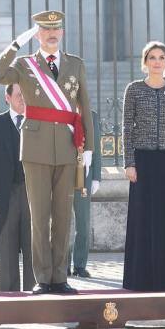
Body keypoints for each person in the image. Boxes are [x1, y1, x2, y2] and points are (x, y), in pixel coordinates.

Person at [0, 10, 94, 295]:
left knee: (63, 216)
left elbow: (84, 106)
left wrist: (90, 150)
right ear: (37, 34)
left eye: (56, 29)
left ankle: (60, 276)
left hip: (67, 146)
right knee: (40, 216)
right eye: (45, 30)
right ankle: (43, 278)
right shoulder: (25, 65)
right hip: (34, 148)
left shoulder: (75, 64)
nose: (51, 34)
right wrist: (14, 46)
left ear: (62, 32)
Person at [122, 42, 165, 291]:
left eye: (161, 57)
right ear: (145, 61)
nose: (157, 62)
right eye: (152, 57)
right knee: (143, 218)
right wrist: (129, 162)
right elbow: (127, 128)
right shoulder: (135, 90)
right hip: (143, 160)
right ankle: (141, 278)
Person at [0, 83, 36, 292]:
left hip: (32, 194)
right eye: (19, 95)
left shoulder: (37, 122)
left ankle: (34, 297)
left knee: (33, 249)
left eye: (26, 94)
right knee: (7, 251)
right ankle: (8, 299)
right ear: (8, 97)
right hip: (5, 197)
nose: (23, 99)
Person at [67, 109, 101, 278]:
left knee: (83, 222)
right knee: (62, 221)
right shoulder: (61, 110)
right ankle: (62, 265)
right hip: (63, 172)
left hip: (85, 173)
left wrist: (96, 177)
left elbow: (96, 147)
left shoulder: (91, 116)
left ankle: (79, 265)